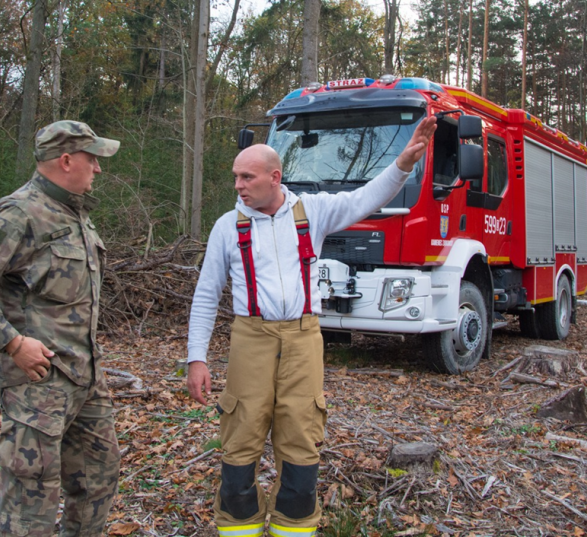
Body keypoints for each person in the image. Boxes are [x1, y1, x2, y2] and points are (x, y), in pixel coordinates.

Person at [185, 116, 437, 537]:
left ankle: (293, 528)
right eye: (235, 177)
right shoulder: (227, 227)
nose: (238, 186)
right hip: (251, 337)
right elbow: (206, 294)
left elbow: (364, 199)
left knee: (302, 434)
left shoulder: (312, 212)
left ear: (274, 177)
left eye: (247, 177)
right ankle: (239, 528)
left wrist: (404, 163)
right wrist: (196, 358)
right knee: (241, 433)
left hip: (304, 338)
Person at [0, 121, 121, 537]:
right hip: (36, 385)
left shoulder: (74, 214)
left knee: (98, 477)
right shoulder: (21, 212)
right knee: (31, 498)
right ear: (67, 159)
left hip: (84, 377)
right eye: (92, 158)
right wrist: (12, 342)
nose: (98, 168)